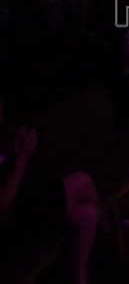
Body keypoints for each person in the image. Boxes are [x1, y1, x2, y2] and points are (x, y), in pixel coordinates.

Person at [0, 95, 106, 284]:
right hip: (14, 226)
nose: (2, 104)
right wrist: (23, 156)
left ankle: (80, 279)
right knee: (83, 181)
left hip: (27, 205)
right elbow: (2, 205)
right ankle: (107, 227)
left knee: (87, 215)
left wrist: (16, 152)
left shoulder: (4, 130)